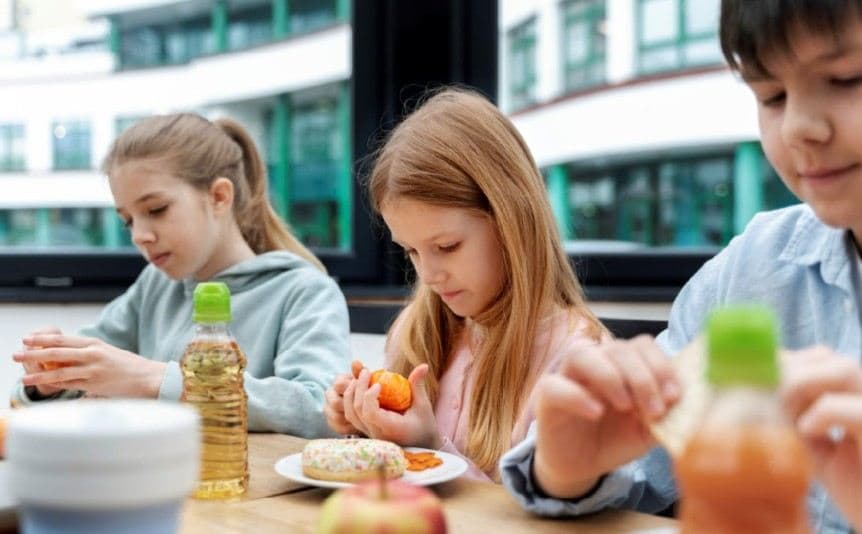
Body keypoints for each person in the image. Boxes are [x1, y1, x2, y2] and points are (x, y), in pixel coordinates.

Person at [499, 1, 862, 531]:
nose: (799, 129)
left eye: (846, 78)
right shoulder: (752, 270)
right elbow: (634, 463)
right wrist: (567, 467)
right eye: (772, 95)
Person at [323, 87, 608, 482]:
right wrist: (365, 427)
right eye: (411, 252)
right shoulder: (414, 333)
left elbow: (539, 514)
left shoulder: (576, 360)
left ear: (512, 221)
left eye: (447, 246)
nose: (428, 275)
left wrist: (430, 446)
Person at [10, 113, 350, 437]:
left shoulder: (304, 291)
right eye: (128, 220)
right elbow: (63, 385)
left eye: (156, 210)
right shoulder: (156, 285)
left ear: (219, 196)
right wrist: (49, 382)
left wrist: (154, 379)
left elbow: (321, 410)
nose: (138, 235)